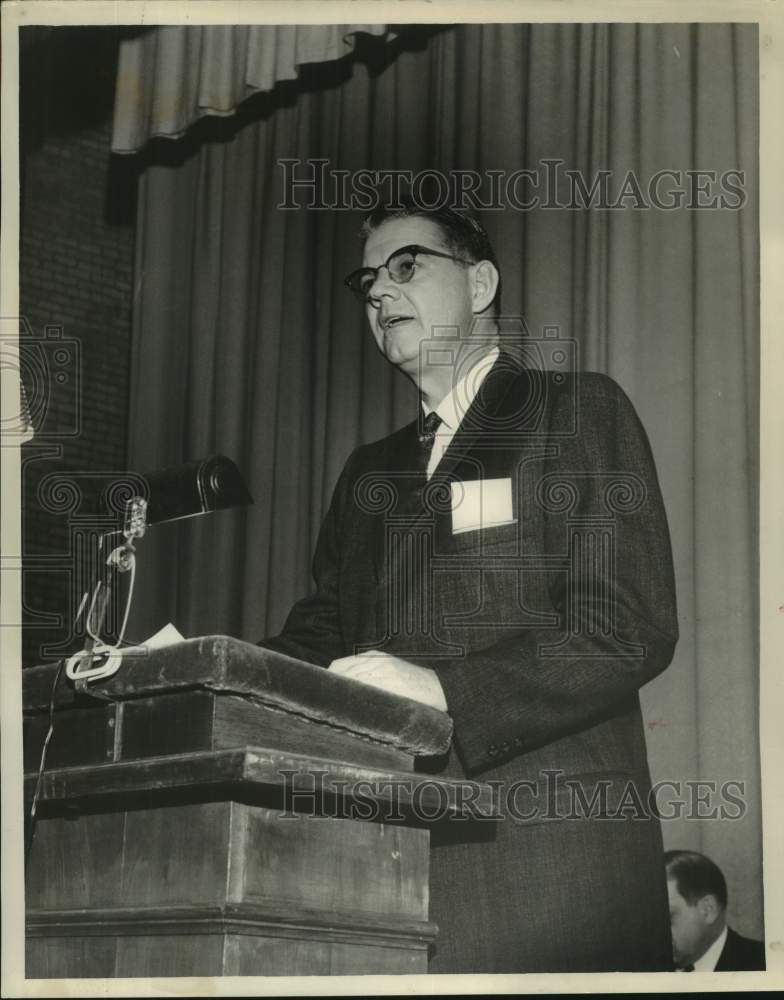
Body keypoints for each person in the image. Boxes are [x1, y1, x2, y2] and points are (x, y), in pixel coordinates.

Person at [260, 200, 679, 972]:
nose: (379, 294)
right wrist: (208, 672)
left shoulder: (574, 412)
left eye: (407, 266)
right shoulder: (366, 474)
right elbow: (319, 637)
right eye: (367, 281)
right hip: (381, 869)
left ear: (481, 282)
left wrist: (446, 690)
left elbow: (626, 625)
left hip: (543, 867)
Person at [665, 850, 766, 972]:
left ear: (708, 910)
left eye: (668, 917)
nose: (655, 932)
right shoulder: (644, 965)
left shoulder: (767, 964)